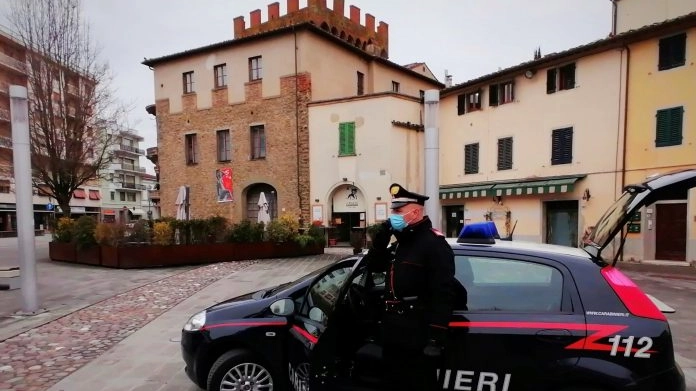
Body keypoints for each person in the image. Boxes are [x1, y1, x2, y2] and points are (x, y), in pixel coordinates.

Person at [367, 183, 456, 391]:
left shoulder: (433, 244)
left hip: (417, 335)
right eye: (392, 211)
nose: (392, 216)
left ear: (414, 212)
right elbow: (376, 268)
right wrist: (379, 244)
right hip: (392, 333)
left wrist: (436, 338)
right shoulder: (401, 243)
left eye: (398, 211)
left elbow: (443, 292)